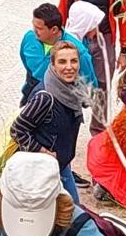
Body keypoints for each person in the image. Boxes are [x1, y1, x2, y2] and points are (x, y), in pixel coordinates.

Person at [58, 0, 126, 133]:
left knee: (104, 83)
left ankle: (98, 128)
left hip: (103, 37)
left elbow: (123, 16)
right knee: (69, 76)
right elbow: (63, 10)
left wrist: (124, 50)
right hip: (78, 36)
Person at [11, 41, 88, 202]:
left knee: (73, 209)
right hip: (41, 169)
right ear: (52, 65)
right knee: (65, 215)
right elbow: (17, 130)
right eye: (62, 62)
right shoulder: (45, 97)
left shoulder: (72, 88)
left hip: (61, 165)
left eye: (73, 61)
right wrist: (43, 152)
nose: (69, 67)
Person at [19, 3, 97, 104]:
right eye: (34, 26)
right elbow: (25, 62)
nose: (35, 31)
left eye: (39, 28)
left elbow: (89, 85)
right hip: (31, 94)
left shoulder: (78, 52)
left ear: (54, 29)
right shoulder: (29, 38)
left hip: (61, 103)